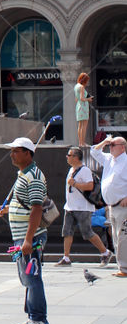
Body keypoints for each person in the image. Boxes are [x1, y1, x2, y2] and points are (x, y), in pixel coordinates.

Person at [0, 136, 50, 324]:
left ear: (28, 153)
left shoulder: (33, 176)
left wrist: (28, 239)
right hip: (23, 237)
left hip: (31, 238)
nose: (12, 155)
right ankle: (32, 317)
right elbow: (26, 203)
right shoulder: (24, 174)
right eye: (11, 151)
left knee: (32, 276)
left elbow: (36, 208)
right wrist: (9, 209)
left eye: (16, 151)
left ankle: (40, 320)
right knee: (27, 277)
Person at [55, 146, 112, 266]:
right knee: (67, 232)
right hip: (70, 206)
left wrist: (75, 184)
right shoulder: (71, 169)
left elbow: (90, 186)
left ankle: (105, 252)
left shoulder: (85, 170)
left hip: (83, 207)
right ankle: (66, 257)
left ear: (76, 157)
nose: (67, 157)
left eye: (69, 155)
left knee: (87, 233)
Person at [91, 134, 127, 277]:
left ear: (122, 147)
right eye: (110, 145)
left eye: (113, 145)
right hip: (111, 205)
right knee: (116, 238)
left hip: (122, 206)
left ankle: (124, 268)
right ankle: (121, 266)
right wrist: (104, 142)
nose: (110, 147)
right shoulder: (109, 159)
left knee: (123, 237)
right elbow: (94, 151)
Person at [75, 72, 92, 150]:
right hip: (83, 106)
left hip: (78, 106)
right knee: (84, 126)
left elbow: (76, 99)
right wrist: (89, 99)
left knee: (80, 125)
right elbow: (82, 98)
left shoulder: (76, 86)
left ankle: (80, 142)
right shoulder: (81, 87)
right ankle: (83, 143)